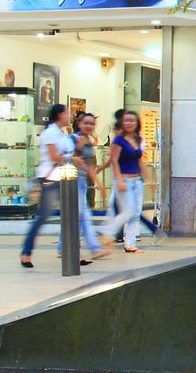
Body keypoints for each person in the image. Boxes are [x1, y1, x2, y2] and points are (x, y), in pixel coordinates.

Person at [20, 104, 82, 268]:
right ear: (60, 115)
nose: (70, 116)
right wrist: (75, 160)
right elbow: (54, 157)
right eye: (67, 113)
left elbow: (67, 154)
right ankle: (26, 252)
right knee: (43, 217)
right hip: (51, 181)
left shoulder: (62, 134)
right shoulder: (50, 133)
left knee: (72, 216)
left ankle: (74, 252)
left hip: (65, 179)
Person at [57, 113, 111, 262]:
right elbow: (65, 159)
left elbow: (90, 166)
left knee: (75, 216)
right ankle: (95, 249)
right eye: (86, 123)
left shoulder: (90, 141)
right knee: (84, 216)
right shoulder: (72, 139)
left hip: (82, 182)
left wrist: (99, 184)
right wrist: (76, 151)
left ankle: (62, 247)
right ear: (79, 124)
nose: (89, 126)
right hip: (71, 181)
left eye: (92, 124)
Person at [99, 111, 146, 253]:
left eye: (132, 120)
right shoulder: (119, 140)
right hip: (124, 179)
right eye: (126, 120)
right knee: (128, 211)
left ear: (137, 123)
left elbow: (139, 160)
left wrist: (148, 178)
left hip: (136, 180)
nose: (129, 123)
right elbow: (113, 160)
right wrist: (119, 180)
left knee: (135, 213)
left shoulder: (137, 140)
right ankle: (107, 231)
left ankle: (130, 243)